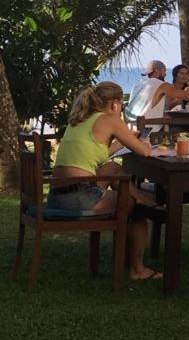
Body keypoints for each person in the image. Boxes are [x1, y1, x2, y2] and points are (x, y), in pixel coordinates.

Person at [49, 82, 162, 280]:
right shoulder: (111, 119)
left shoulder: (79, 119)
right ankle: (137, 268)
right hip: (79, 198)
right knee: (135, 209)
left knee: (113, 168)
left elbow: (97, 155)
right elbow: (144, 152)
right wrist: (139, 142)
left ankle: (144, 200)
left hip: (57, 196)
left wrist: (123, 140)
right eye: (122, 104)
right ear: (115, 104)